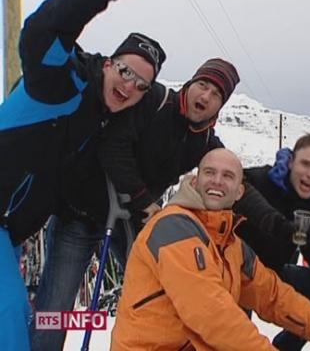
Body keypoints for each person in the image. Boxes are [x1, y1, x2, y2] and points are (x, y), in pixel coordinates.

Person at [31, 58, 238, 350]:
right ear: (191, 84)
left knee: (159, 295)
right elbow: (112, 148)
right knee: (55, 311)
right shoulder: (155, 101)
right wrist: (146, 202)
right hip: (81, 212)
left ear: (220, 105)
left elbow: (233, 177)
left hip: (128, 222)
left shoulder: (205, 144)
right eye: (202, 85)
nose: (205, 96)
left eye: (216, 94)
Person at [0, 0, 166, 348]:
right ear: (107, 63)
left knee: (29, 316)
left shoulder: (105, 117)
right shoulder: (61, 85)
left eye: (141, 85)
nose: (129, 86)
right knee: (10, 315)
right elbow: (41, 33)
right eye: (126, 71)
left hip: (10, 230)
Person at [111, 148, 310, 351]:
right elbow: (210, 313)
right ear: (195, 181)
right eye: (209, 172)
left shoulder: (229, 243)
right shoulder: (174, 227)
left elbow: (272, 293)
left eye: (228, 176)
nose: (217, 180)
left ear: (240, 192)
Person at [233, 133, 310, 351]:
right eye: (305, 164)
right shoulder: (260, 180)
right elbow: (232, 184)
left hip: (273, 274)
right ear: (291, 162)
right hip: (236, 274)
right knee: (236, 336)